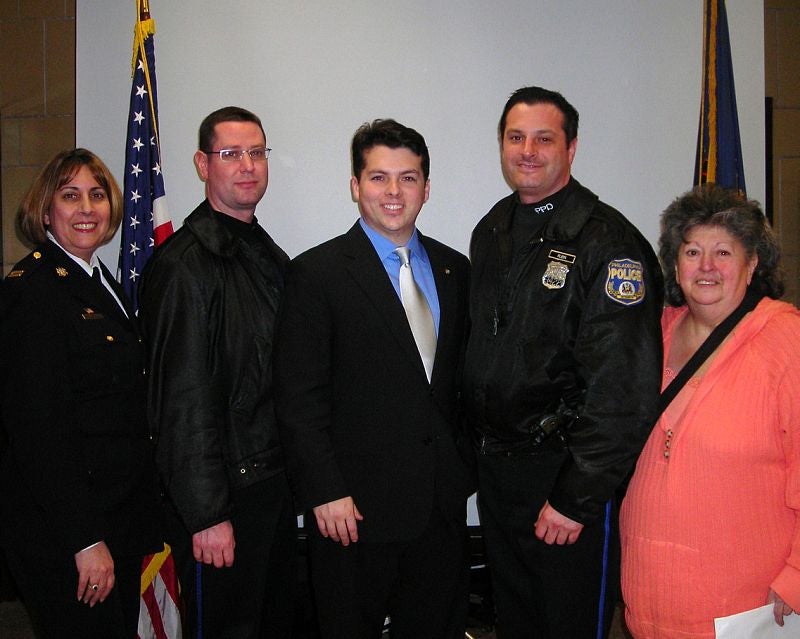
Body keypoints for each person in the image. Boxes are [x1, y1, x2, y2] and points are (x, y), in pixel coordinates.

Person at [462, 86, 664, 639]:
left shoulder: (609, 244)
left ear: (571, 148)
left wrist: (575, 498)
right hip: (501, 477)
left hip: (565, 479)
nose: (527, 150)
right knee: (518, 623)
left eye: (544, 138)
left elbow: (623, 391)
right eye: (515, 137)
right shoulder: (492, 231)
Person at [274, 119, 474, 639]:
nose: (393, 192)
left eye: (407, 178)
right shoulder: (315, 275)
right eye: (379, 177)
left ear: (426, 189)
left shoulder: (457, 271)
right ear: (355, 186)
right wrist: (325, 491)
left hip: (439, 511)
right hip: (352, 512)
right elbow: (300, 399)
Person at [138, 106, 295, 638]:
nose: (247, 165)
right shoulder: (185, 266)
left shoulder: (266, 254)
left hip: (271, 486)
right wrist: (207, 515)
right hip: (226, 497)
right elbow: (180, 401)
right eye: (231, 154)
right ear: (203, 165)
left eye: (257, 152)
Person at [620, 184, 800, 638]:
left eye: (723, 252)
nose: (705, 267)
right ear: (674, 263)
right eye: (692, 251)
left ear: (752, 263)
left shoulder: (785, 342)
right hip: (651, 598)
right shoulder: (652, 333)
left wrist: (797, 576)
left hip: (747, 607)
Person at [0, 148, 162, 638]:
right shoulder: (35, 291)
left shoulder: (94, 278)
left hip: (114, 515)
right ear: (46, 211)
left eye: (96, 195)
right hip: (69, 532)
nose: (87, 208)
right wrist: (85, 539)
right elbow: (38, 431)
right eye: (70, 196)